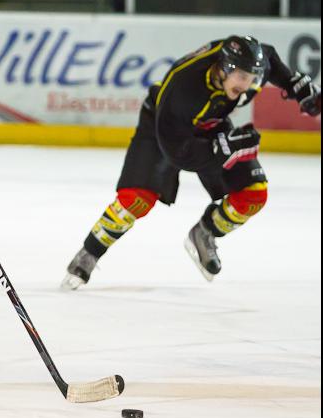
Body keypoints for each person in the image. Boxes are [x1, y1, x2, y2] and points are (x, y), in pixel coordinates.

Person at [61, 35, 320, 289]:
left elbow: (268, 56)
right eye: (243, 77)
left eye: (253, 77)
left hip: (210, 126)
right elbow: (177, 154)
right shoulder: (184, 89)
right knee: (136, 199)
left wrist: (293, 85)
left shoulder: (247, 71)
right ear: (224, 69)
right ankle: (89, 253)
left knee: (254, 194)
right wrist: (223, 147)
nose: (249, 84)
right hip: (163, 128)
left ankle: (205, 232)